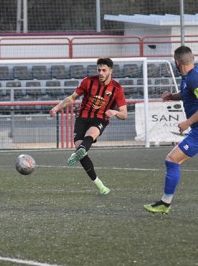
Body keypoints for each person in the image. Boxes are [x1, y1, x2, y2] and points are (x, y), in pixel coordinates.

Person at [50, 58, 127, 195]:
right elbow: (72, 98)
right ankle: (100, 185)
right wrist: (57, 107)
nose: (101, 73)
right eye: (99, 70)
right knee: (82, 151)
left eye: (104, 70)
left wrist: (115, 112)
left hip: (99, 119)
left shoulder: (117, 89)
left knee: (91, 134)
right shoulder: (88, 82)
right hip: (82, 118)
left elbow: (124, 114)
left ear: (111, 70)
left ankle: (81, 149)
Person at [144, 45, 198, 214]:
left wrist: (187, 122)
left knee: (172, 160)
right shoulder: (189, 77)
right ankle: (165, 203)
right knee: (173, 160)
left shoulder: (193, 78)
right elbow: (187, 93)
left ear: (176, 62)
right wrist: (172, 96)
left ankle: (165, 204)